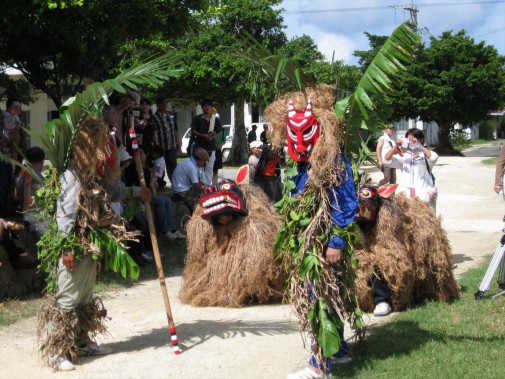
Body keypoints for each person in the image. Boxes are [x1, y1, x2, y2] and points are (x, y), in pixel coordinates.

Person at [264, 88, 360, 379]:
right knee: (323, 292)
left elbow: (347, 202)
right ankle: (339, 350)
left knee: (321, 295)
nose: (300, 138)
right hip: (308, 239)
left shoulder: (332, 160)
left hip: (324, 241)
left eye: (306, 131)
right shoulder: (300, 164)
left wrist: (336, 242)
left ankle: (320, 365)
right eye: (293, 132)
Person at [383, 128, 438, 212]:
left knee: (428, 220)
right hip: (407, 195)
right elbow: (386, 160)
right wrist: (396, 146)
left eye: (414, 138)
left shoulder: (425, 156)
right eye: (409, 138)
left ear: (421, 139)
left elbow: (434, 158)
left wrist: (420, 146)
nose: (411, 141)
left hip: (424, 193)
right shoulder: (405, 156)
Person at [190, 99, 222, 185]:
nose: (207, 107)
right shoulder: (198, 118)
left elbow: (218, 132)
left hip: (211, 147)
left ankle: (206, 186)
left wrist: (214, 137)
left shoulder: (215, 119)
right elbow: (193, 131)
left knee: (209, 168)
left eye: (208, 105)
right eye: (205, 105)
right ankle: (197, 185)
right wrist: (203, 135)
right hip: (200, 147)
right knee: (198, 167)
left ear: (211, 107)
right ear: (202, 107)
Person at [152, 96, 179, 184]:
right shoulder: (155, 117)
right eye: (161, 103)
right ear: (157, 104)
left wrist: (178, 140)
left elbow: (175, 129)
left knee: (172, 164)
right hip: (161, 145)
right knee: (160, 165)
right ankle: (160, 183)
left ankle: (174, 182)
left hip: (172, 145)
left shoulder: (171, 114)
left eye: (165, 103)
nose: (164, 105)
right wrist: (156, 144)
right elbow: (154, 131)